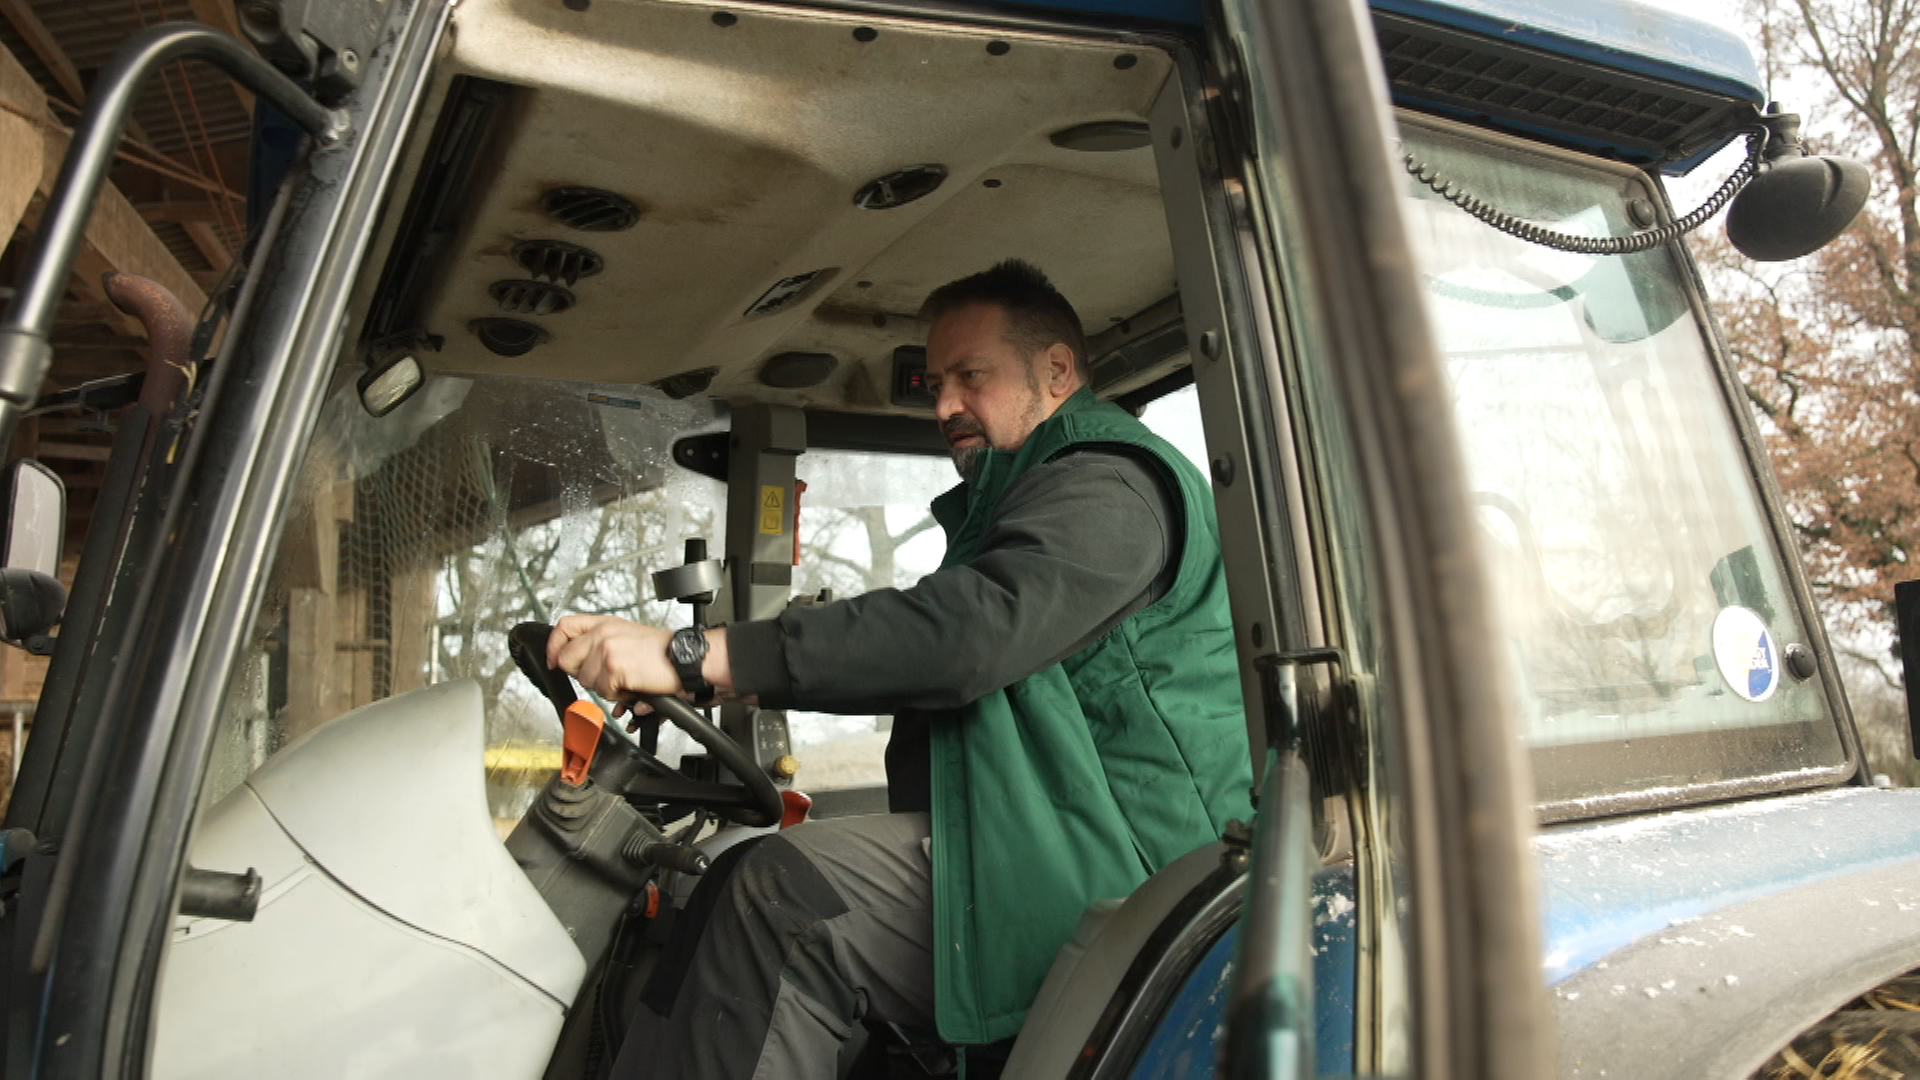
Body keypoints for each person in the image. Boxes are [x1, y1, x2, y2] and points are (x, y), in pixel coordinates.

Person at [548, 259, 1252, 1079]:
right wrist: (724, 673)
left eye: (970, 377)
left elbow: (960, 637)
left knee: (775, 896)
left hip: (1134, 879)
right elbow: (920, 634)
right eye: (936, 382)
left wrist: (694, 657)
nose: (945, 404)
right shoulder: (1021, 505)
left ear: (1057, 370)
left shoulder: (1111, 485)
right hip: (1056, 841)